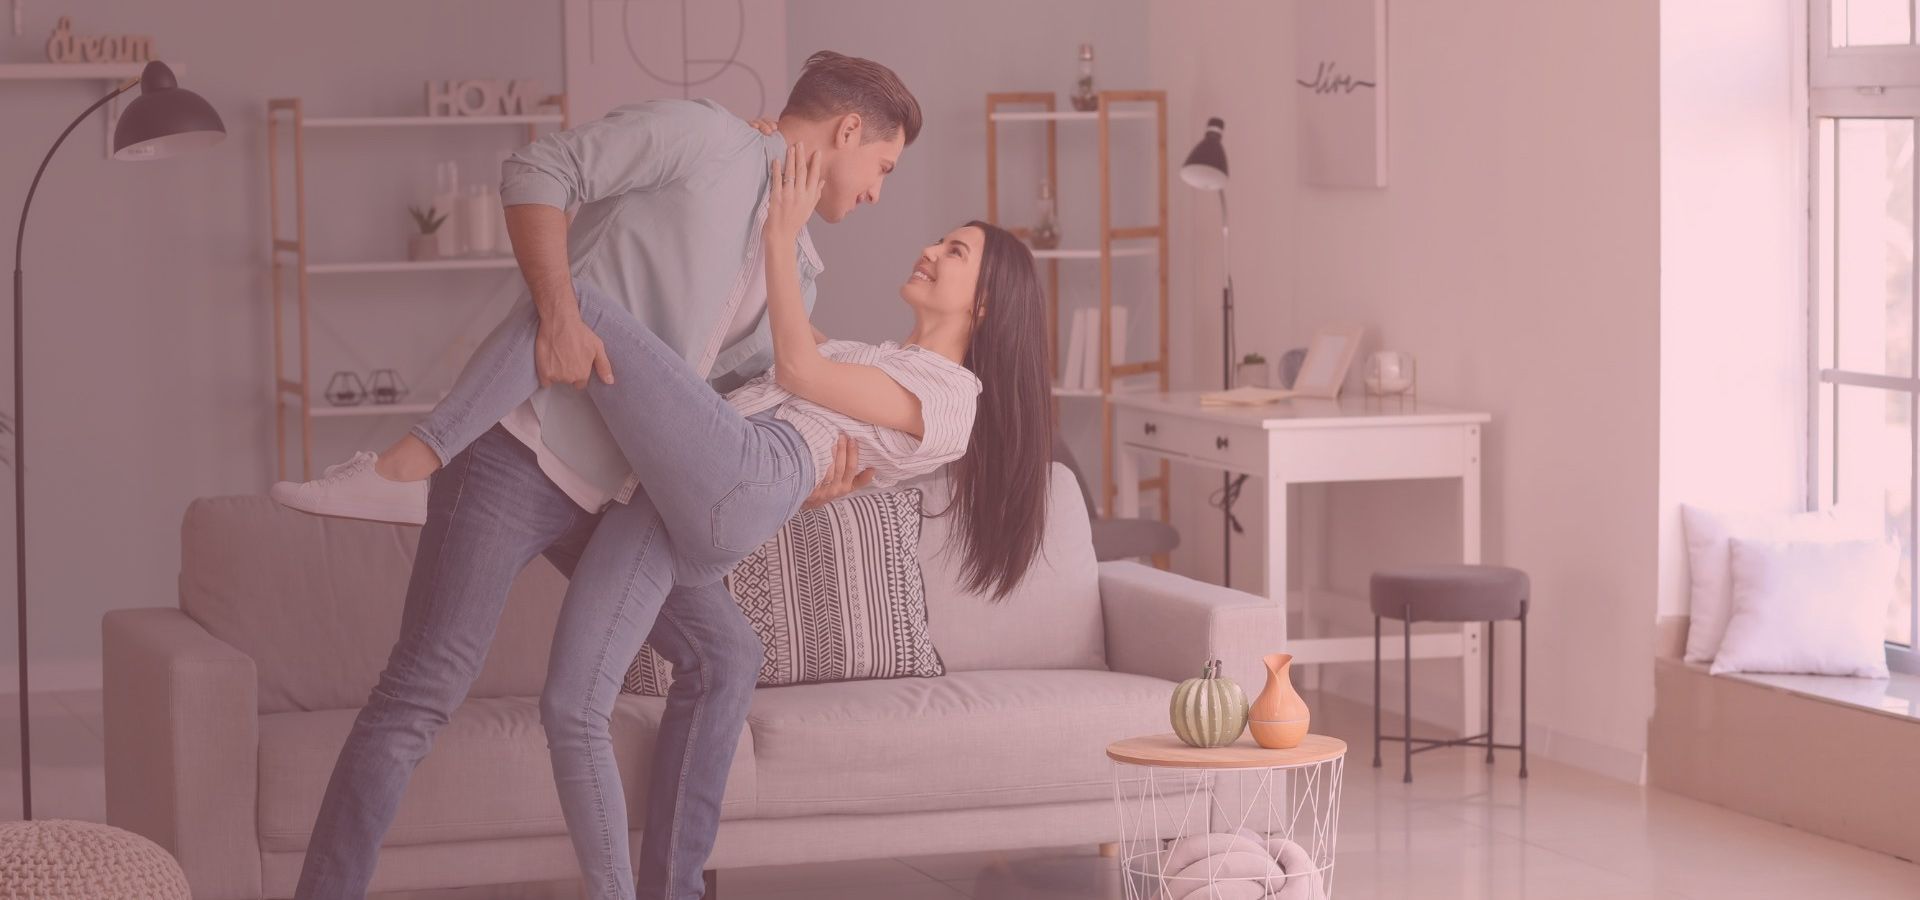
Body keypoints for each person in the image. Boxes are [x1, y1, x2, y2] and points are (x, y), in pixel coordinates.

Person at [282, 52, 925, 900]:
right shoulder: (701, 138)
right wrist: (555, 311)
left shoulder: (796, 271)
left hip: (621, 502)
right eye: (881, 167)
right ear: (847, 131)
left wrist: (805, 485)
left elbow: (715, 416)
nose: (878, 192)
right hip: (521, 452)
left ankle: (672, 891)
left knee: (726, 652)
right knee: (423, 690)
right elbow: (538, 169)